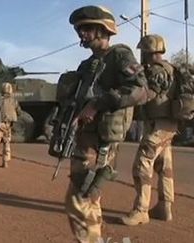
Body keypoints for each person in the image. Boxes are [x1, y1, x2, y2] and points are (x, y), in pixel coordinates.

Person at [64, 6, 148, 242]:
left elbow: (140, 89)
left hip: (100, 141)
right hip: (85, 138)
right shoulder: (88, 64)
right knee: (90, 199)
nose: (81, 34)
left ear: (103, 30)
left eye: (87, 28)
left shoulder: (119, 55)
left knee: (78, 200)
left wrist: (97, 104)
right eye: (80, 29)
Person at [121, 34, 178, 226]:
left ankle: (141, 210)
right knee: (164, 166)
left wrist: (124, 99)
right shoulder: (169, 68)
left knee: (142, 162)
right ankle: (164, 207)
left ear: (147, 51)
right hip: (165, 124)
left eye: (143, 52)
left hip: (160, 125)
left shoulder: (157, 71)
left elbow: (147, 95)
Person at [0, 82, 21, 168]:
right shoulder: (14, 100)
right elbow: (19, 111)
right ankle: (5, 162)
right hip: (8, 125)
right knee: (6, 143)